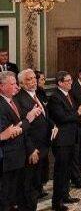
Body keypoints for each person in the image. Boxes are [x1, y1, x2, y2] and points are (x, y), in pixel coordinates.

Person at [48, 71, 81, 211]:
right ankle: (57, 203)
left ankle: (65, 195)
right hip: (62, 140)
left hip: (71, 137)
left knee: (67, 170)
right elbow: (61, 118)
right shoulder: (55, 97)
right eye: (67, 81)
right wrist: (78, 112)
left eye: (71, 80)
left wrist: (80, 112)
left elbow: (71, 115)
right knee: (60, 171)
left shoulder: (68, 94)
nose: (71, 82)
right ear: (60, 83)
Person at [0, 70, 41, 210]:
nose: (16, 87)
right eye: (12, 84)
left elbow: (18, 128)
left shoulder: (12, 101)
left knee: (18, 195)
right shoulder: (1, 105)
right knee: (7, 197)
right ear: (1, 86)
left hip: (19, 155)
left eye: (16, 83)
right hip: (8, 159)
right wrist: (28, 119)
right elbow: (8, 132)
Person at [14, 68, 55, 209]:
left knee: (36, 184)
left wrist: (53, 126)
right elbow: (23, 128)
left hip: (42, 147)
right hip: (31, 150)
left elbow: (44, 117)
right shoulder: (19, 99)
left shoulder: (37, 95)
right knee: (28, 186)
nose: (33, 81)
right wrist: (31, 149)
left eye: (34, 78)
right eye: (29, 79)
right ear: (21, 83)